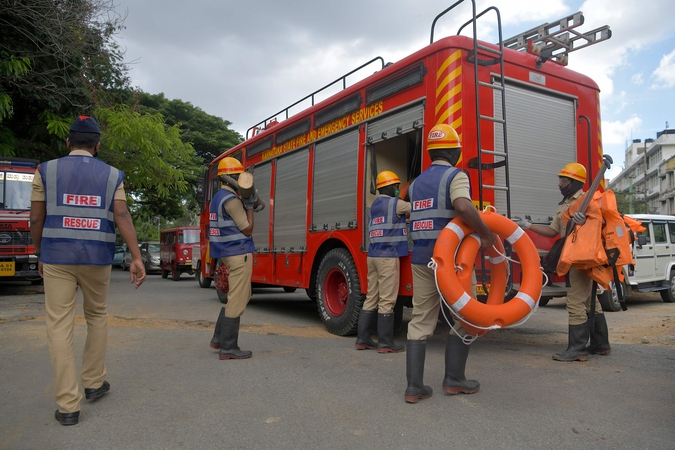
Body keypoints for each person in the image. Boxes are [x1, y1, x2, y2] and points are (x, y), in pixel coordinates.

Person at [29, 116, 146, 426]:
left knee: (59, 324)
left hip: (57, 257)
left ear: (68, 142)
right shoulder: (112, 175)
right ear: (97, 145)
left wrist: (40, 252)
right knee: (96, 315)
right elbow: (121, 214)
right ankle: (93, 382)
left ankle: (68, 405)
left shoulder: (46, 171)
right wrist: (136, 257)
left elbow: (37, 220)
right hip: (97, 257)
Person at [404, 124, 496, 404]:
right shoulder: (456, 175)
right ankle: (454, 379)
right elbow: (464, 206)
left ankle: (414, 387)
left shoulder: (417, 183)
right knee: (465, 315)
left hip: (421, 258)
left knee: (420, 319)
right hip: (452, 260)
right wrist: (486, 233)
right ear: (454, 151)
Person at [513, 162, 611, 362]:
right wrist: (528, 225)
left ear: (575, 182)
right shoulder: (564, 205)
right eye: (560, 180)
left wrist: (587, 221)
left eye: (564, 180)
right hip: (573, 257)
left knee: (575, 302)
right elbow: (553, 231)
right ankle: (601, 345)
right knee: (588, 301)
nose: (560, 184)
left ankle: (577, 349)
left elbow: (600, 225)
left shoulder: (587, 200)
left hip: (583, 258)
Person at [207, 157, 261, 360]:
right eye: (239, 175)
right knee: (238, 299)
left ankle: (218, 339)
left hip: (226, 253)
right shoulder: (231, 200)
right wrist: (249, 205)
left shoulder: (217, 198)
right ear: (232, 177)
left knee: (239, 296)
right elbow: (247, 229)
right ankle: (228, 347)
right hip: (238, 253)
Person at [355, 170, 411, 353]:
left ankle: (363, 338)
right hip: (388, 257)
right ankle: (385, 343)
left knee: (371, 297)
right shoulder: (397, 204)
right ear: (392, 187)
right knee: (387, 300)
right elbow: (417, 209)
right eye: (396, 187)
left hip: (373, 257)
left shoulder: (375, 205)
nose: (397, 190)